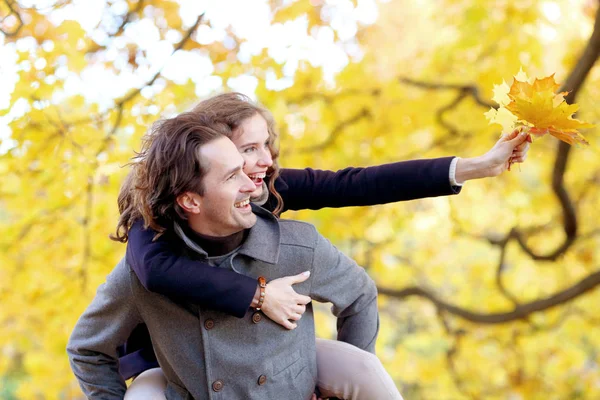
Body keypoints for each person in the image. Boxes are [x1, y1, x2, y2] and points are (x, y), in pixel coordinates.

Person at [115, 93, 531, 399]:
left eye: (266, 145)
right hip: (179, 363)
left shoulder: (262, 191)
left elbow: (358, 182)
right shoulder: (156, 210)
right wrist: (259, 295)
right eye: (249, 150)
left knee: (360, 370)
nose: (266, 161)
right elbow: (155, 270)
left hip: (263, 355)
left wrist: (476, 166)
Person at [67, 111, 381, 399]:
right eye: (232, 176)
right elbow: (87, 348)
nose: (254, 186)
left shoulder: (296, 247)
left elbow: (360, 294)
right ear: (190, 201)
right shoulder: (145, 270)